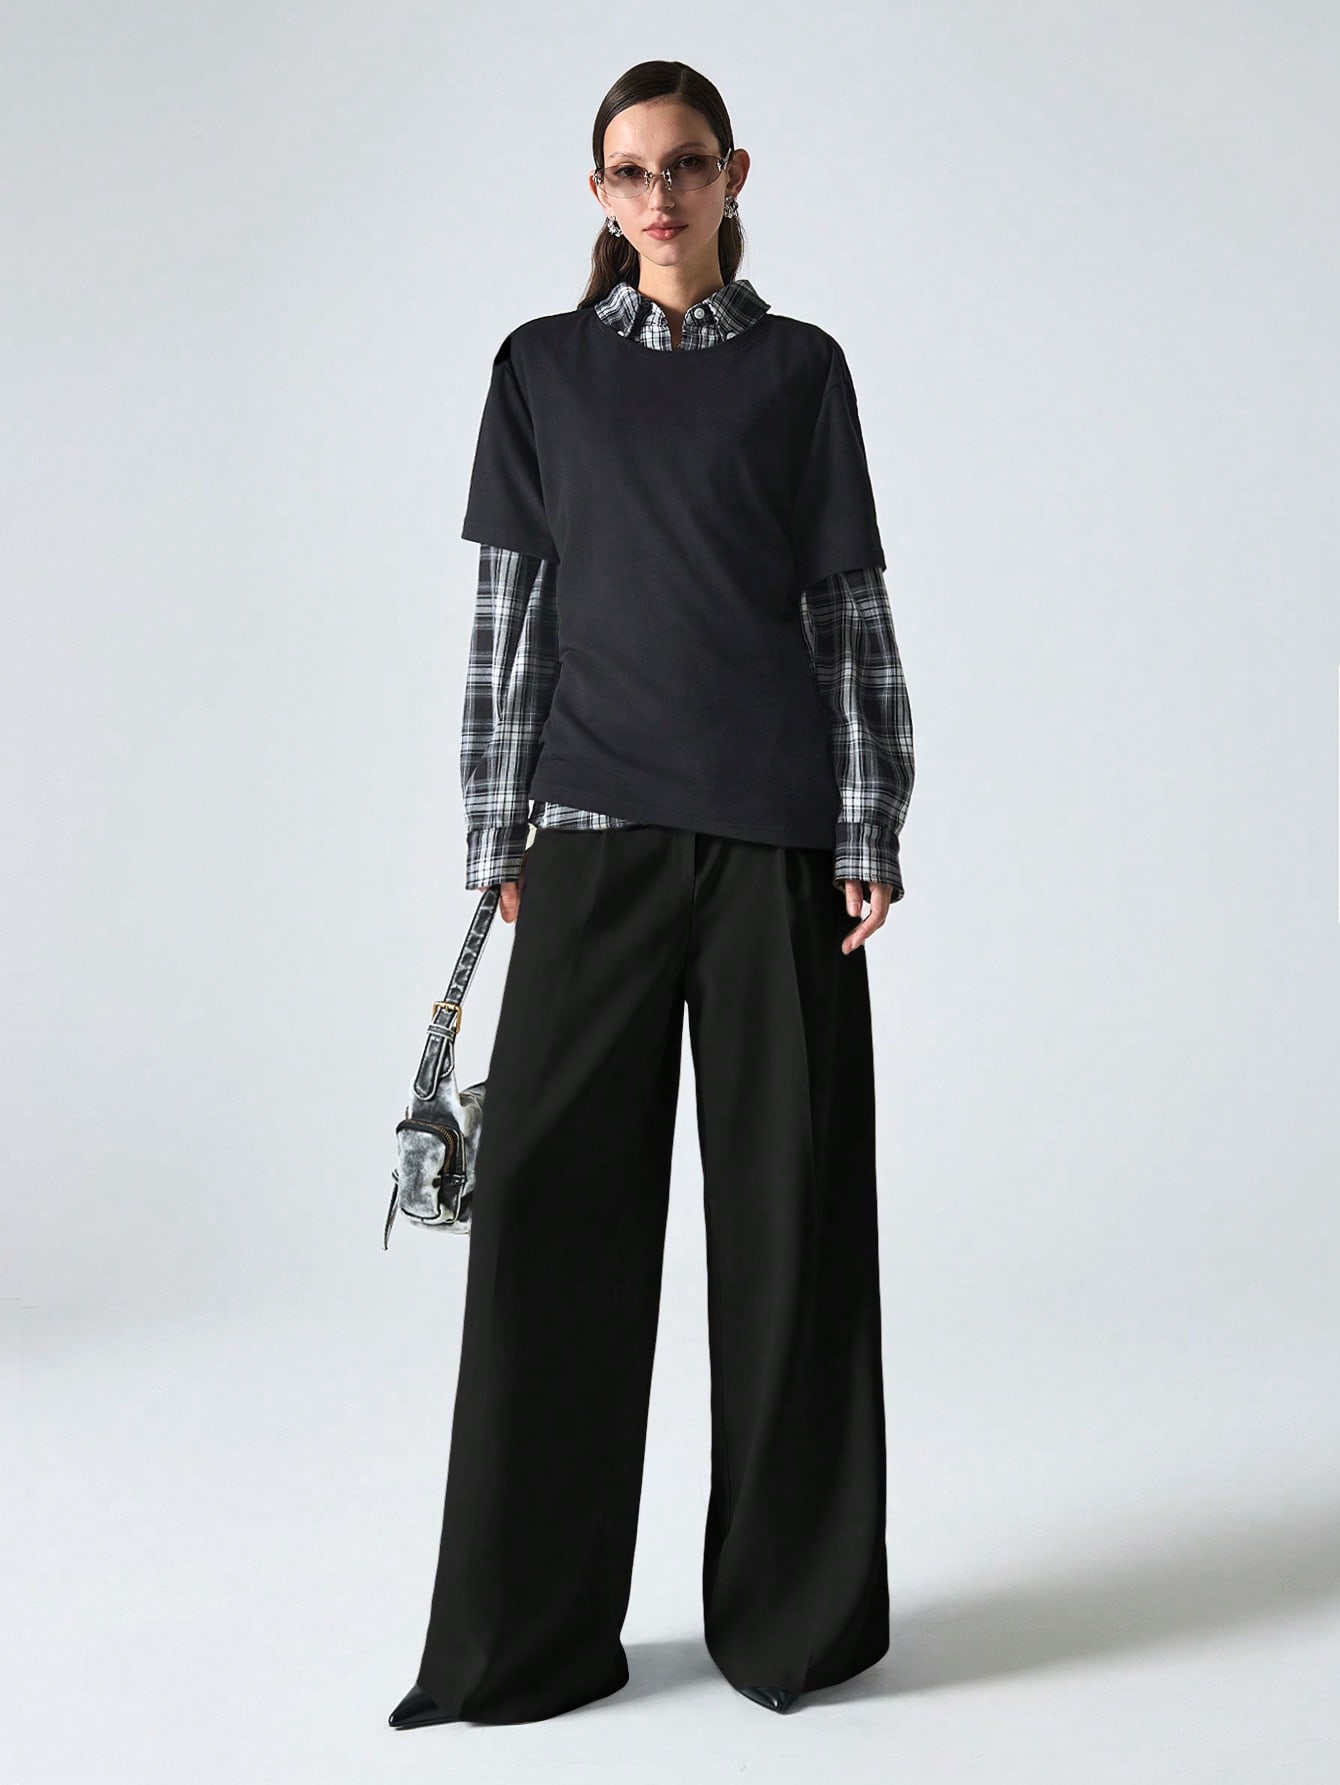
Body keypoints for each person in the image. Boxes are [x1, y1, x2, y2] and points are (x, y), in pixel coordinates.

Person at [389, 57, 915, 1730]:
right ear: (599, 194)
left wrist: (870, 819)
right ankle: (523, 1639)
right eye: (632, 171)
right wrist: (499, 836)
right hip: (593, 838)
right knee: (549, 1232)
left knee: (792, 1227)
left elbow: (846, 611)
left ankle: (796, 1626)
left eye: (687, 165)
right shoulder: (540, 373)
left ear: (734, 173)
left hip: (776, 851)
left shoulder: (800, 371)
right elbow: (509, 618)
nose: (662, 195)